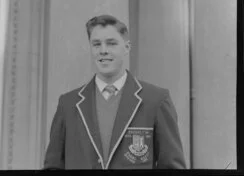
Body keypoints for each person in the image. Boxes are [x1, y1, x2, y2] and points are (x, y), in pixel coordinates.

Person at [44, 15, 186, 169]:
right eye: (96, 44)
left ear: (127, 47)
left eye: (111, 43)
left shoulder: (156, 100)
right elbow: (53, 166)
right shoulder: (68, 104)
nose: (103, 51)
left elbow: (172, 166)